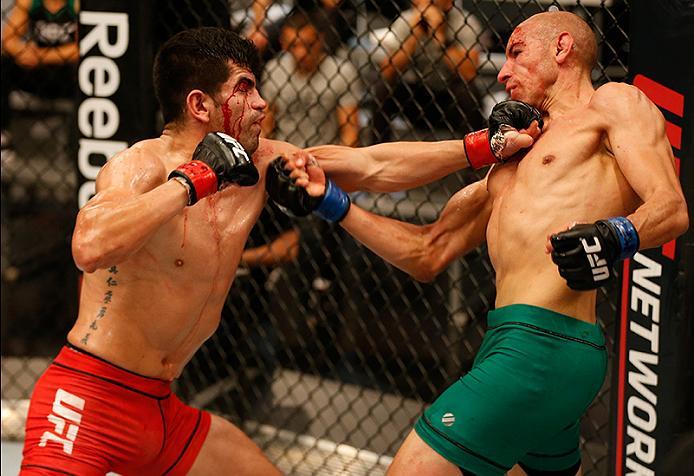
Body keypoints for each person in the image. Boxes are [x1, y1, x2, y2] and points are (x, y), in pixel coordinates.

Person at [19, 26, 530, 475]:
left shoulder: (261, 162)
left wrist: (485, 145)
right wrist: (192, 181)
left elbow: (375, 165)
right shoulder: (140, 166)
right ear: (200, 105)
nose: (262, 102)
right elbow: (89, 245)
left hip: (161, 411)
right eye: (245, 89)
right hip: (87, 397)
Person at [268, 10, 689, 476]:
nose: (503, 71)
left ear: (562, 48)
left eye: (516, 52)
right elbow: (426, 252)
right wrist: (332, 202)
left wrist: (616, 234)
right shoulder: (509, 162)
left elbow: (670, 208)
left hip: (543, 347)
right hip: (509, 342)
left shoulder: (612, 103)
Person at [373, 0, 486, 141]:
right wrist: (412, 36)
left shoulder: (464, 21)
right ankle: (377, 150)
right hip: (417, 97)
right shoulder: (406, 20)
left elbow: (469, 73)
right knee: (383, 88)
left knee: (468, 92)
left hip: (450, 100)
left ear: (449, 3)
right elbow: (387, 71)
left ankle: (476, 154)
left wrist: (440, 37)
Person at [261, 9, 363, 147]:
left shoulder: (342, 72)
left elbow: (350, 133)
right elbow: (266, 127)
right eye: (294, 45)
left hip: (326, 158)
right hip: (284, 156)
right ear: (283, 44)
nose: (301, 53)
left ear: (320, 40)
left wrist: (338, 164)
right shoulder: (274, 70)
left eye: (308, 45)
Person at [1, 0, 79, 148]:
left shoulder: (76, 4)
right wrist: (23, 52)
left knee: (87, 70)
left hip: (68, 75)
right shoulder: (29, 2)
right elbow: (8, 40)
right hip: (36, 72)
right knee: (4, 64)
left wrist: (42, 56)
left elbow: (82, 48)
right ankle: (3, 137)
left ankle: (75, 143)